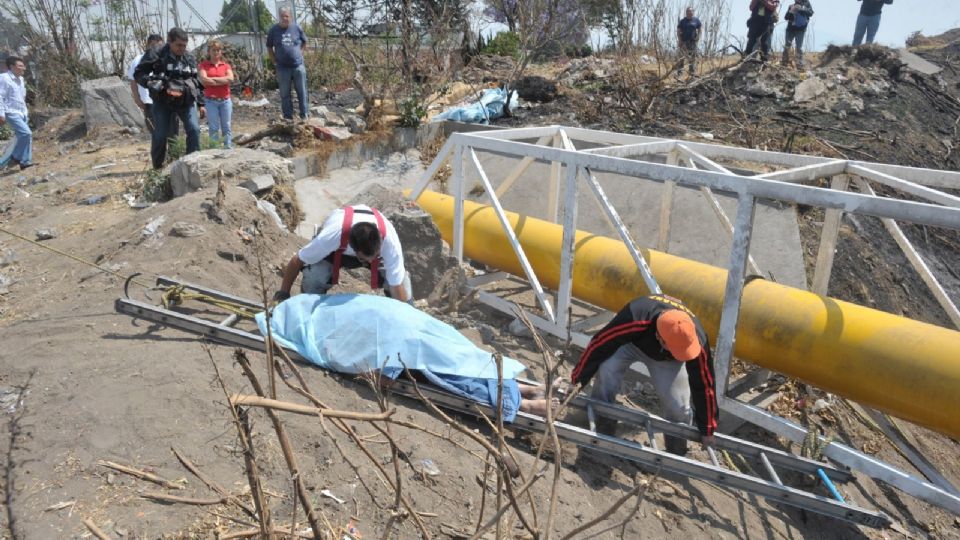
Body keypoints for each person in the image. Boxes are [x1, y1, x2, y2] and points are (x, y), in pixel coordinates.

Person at [571, 294, 718, 455]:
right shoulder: (635, 317)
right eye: (679, 350)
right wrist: (576, 383)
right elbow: (598, 345)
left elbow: (705, 384)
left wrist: (708, 428)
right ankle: (602, 422)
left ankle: (676, 450)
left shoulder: (695, 338)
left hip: (668, 360)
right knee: (607, 368)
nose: (684, 353)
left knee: (678, 407)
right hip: (631, 343)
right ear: (659, 338)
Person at [276, 205, 412, 303]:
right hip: (337, 249)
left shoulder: (390, 243)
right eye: (365, 259)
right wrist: (282, 294)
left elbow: (396, 284)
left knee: (402, 284)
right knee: (314, 277)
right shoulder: (331, 236)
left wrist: (404, 314)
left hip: (369, 249)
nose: (370, 262)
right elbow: (297, 260)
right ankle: (310, 308)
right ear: (353, 249)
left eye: (374, 257)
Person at [135, 27, 206, 170]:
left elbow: (196, 81)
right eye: (178, 45)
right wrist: (149, 82)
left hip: (185, 100)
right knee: (160, 135)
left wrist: (201, 103)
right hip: (163, 101)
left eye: (184, 46)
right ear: (169, 42)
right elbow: (139, 73)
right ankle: (158, 168)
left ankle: (192, 165)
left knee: (194, 129)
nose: (182, 48)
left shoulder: (189, 57)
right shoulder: (156, 52)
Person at [266, 7, 309, 120]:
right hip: (282, 68)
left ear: (290, 17)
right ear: (279, 17)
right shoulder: (273, 30)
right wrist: (274, 61)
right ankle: (288, 117)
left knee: (302, 92)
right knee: (285, 94)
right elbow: (269, 47)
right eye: (282, 16)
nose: (285, 18)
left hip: (298, 66)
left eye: (287, 16)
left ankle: (304, 116)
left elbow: (305, 41)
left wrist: (300, 53)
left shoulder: (297, 28)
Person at [198, 39, 235, 149]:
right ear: (209, 51)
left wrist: (212, 80)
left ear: (221, 52)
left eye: (218, 50)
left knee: (226, 126)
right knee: (213, 128)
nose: (216, 52)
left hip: (225, 101)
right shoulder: (204, 65)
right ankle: (214, 150)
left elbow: (231, 78)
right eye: (213, 50)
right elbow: (204, 80)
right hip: (211, 101)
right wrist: (222, 80)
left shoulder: (226, 66)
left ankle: (228, 149)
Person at [0, 56, 34, 171]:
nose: (23, 68)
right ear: (12, 67)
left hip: (21, 112)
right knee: (26, 133)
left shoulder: (21, 79)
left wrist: (25, 111)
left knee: (25, 136)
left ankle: (25, 161)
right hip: (10, 111)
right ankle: (16, 157)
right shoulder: (4, 78)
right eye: (20, 66)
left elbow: (21, 97)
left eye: (23, 66)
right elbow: (0, 96)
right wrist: (1, 114)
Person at [782, 1, 814, 69]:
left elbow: (811, 13)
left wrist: (802, 9)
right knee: (787, 46)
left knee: (799, 47)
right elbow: (786, 17)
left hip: (800, 30)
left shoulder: (806, 3)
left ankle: (800, 64)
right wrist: (791, 11)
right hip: (790, 29)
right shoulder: (791, 5)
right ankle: (784, 62)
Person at [676, 7, 702, 77]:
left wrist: (698, 37)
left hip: (692, 42)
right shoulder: (682, 21)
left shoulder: (696, 20)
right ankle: (679, 75)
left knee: (692, 59)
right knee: (681, 59)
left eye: (691, 11)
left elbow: (700, 29)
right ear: (686, 12)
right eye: (688, 11)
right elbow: (678, 31)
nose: (689, 12)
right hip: (684, 42)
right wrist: (680, 40)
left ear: (693, 12)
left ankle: (692, 75)